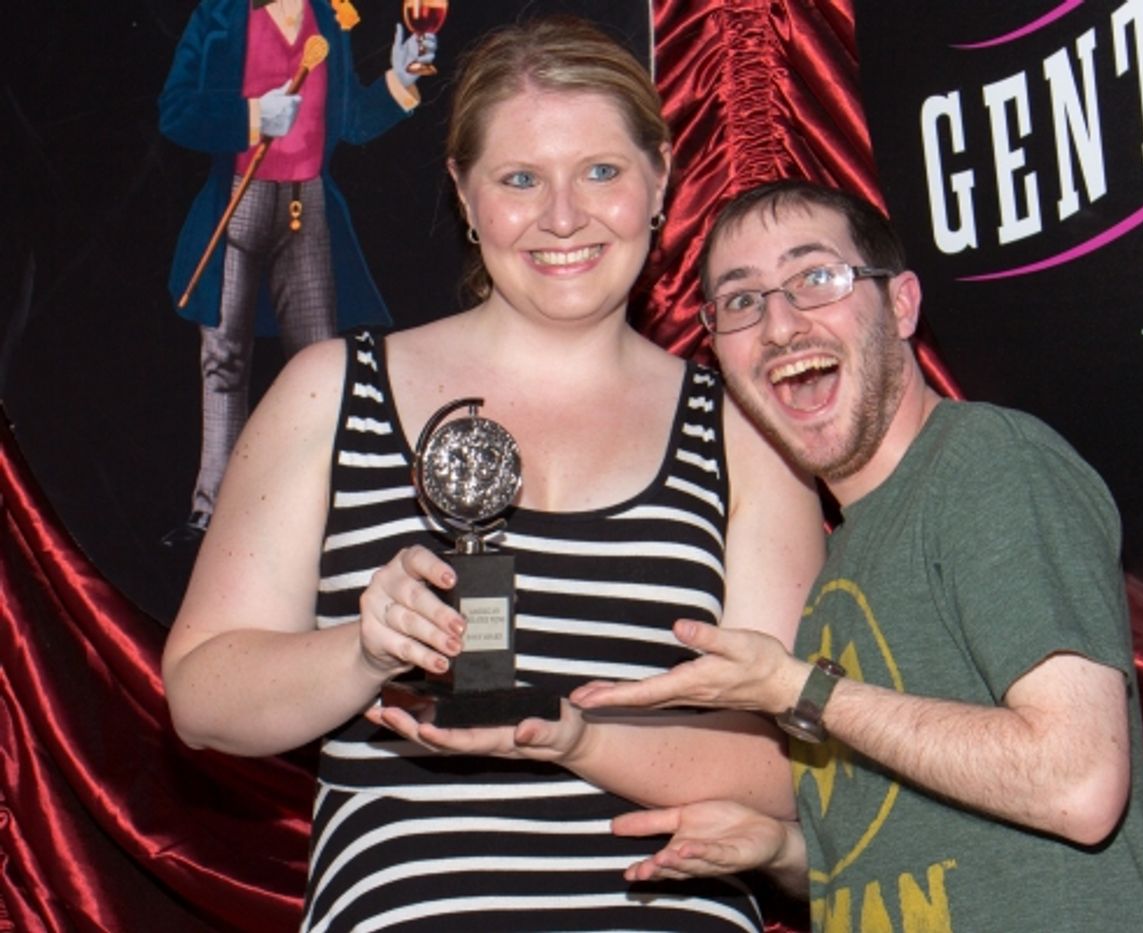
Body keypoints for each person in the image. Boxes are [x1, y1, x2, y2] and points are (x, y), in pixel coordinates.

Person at [161, 17, 825, 933]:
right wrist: (364, 648)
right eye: (520, 179)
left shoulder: (745, 431)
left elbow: (794, 769)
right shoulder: (332, 391)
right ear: (465, 197)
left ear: (662, 179)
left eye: (601, 171)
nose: (563, 216)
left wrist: (575, 736)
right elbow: (202, 697)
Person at [572, 180, 1143, 931]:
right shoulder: (841, 565)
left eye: (815, 278)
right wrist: (781, 850)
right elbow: (906, 854)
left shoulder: (988, 462)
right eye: (741, 301)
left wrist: (801, 691)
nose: (779, 323)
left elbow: (1079, 783)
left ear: (900, 305)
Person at [158, 0, 436, 545]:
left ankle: (325, 511)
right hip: (237, 204)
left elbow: (351, 120)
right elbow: (176, 110)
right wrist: (254, 117)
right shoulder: (219, 17)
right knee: (224, 360)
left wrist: (399, 80)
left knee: (320, 362)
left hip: (307, 209)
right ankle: (211, 514)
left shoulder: (332, 17)